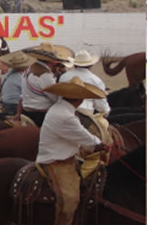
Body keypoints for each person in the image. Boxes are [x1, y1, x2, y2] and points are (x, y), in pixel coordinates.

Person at [38, 77, 107, 224]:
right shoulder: (66, 116)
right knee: (70, 199)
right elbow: (85, 137)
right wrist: (100, 144)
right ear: (80, 99)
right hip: (56, 161)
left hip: (63, 153)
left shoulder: (61, 108)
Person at [20, 42, 71, 126]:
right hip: (40, 115)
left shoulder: (28, 69)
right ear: (52, 61)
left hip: (26, 111)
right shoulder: (45, 75)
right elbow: (55, 99)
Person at [59, 50, 110, 115]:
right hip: (85, 113)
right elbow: (101, 106)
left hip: (63, 110)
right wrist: (106, 112)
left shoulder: (64, 77)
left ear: (75, 65)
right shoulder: (96, 80)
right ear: (91, 65)